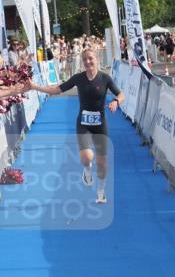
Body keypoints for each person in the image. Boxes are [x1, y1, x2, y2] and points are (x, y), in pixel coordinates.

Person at [27, 48, 124, 204]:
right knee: (86, 157)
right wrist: (34, 86)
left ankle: (101, 190)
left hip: (100, 124)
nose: (87, 62)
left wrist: (116, 101)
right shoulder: (78, 78)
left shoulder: (105, 78)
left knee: (102, 162)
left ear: (96, 58)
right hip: (83, 124)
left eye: (90, 58)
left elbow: (121, 94)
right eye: (85, 59)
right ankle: (86, 171)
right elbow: (55, 90)